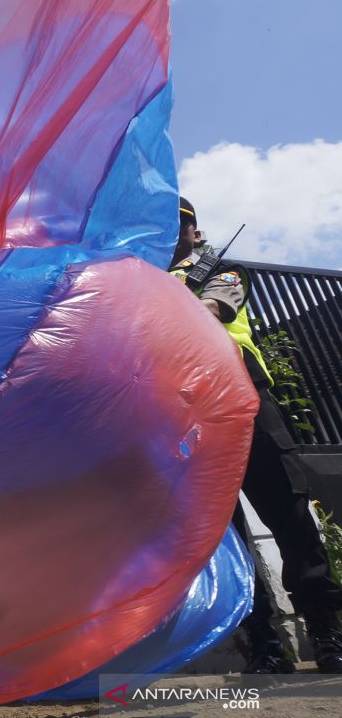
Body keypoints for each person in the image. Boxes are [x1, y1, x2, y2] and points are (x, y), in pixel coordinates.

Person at [170, 197, 342, 674]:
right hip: (186, 417)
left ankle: (325, 630)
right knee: (224, 534)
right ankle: (265, 642)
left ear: (197, 234)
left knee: (288, 515)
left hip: (243, 402)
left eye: (178, 222)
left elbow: (211, 312)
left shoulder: (225, 272)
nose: (168, 229)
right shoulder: (144, 283)